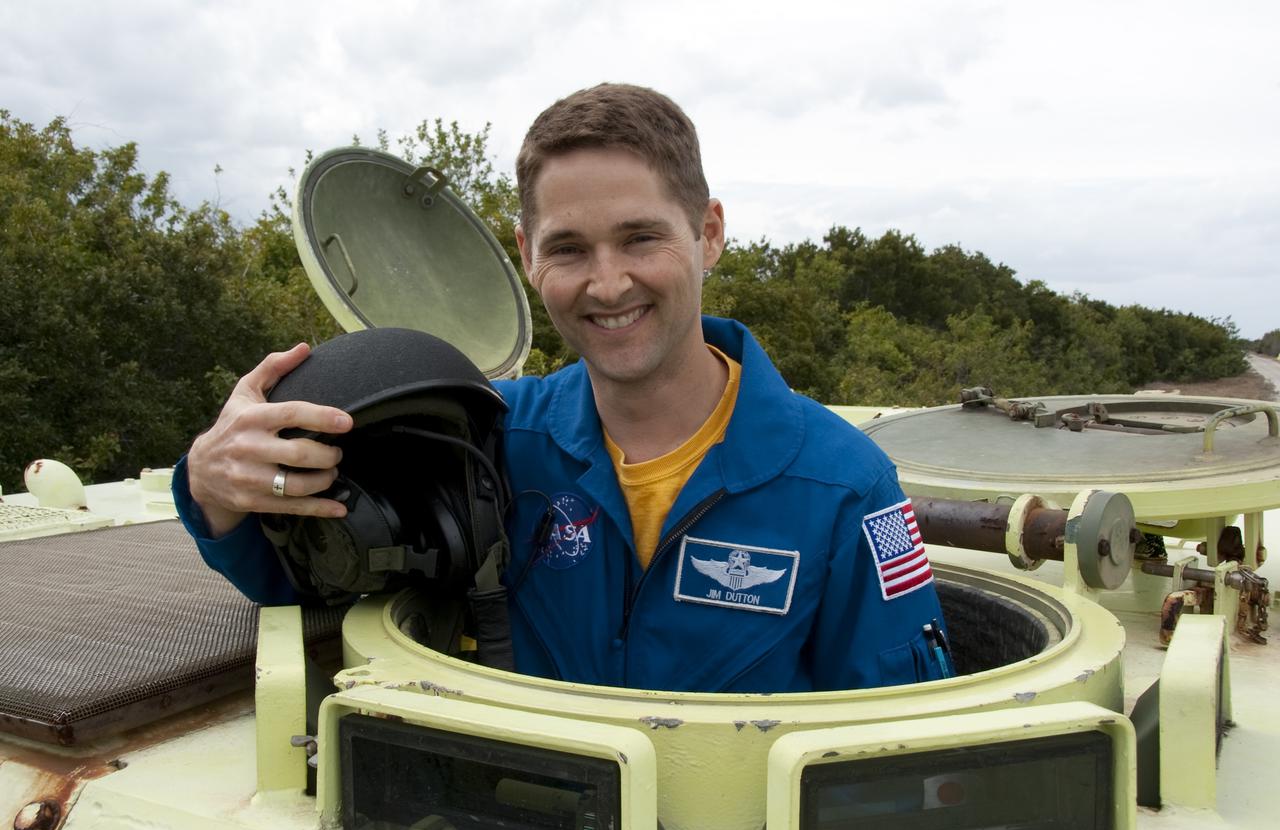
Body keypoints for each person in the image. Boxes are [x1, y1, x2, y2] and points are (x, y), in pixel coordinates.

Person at [175, 83, 948, 693]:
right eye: (569, 248)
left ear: (708, 232)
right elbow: (306, 579)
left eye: (641, 237)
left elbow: (898, 745)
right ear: (526, 253)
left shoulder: (846, 486)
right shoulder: (481, 437)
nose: (608, 284)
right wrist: (216, 487)